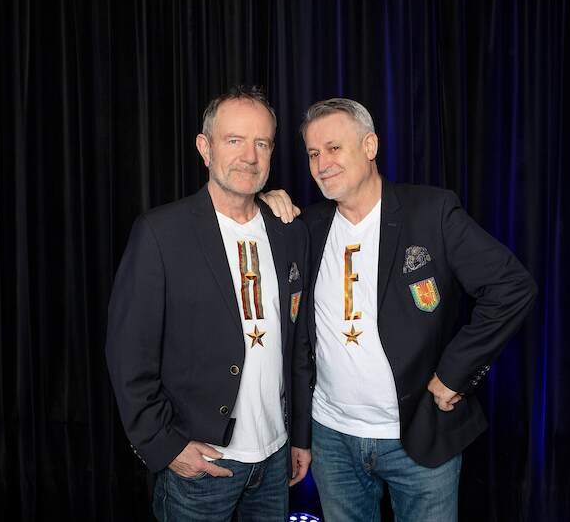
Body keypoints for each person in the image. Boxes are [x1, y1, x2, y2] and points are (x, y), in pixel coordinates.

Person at [262, 98, 537, 521]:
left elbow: (512, 287)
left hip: (419, 434)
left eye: (334, 148)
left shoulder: (431, 211)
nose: (322, 164)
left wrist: (455, 373)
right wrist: (263, 202)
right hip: (333, 439)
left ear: (369, 146)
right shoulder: (308, 227)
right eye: (314, 154)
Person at [105, 86, 312, 522]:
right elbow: (128, 355)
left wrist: (300, 436)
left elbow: (297, 345)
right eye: (234, 140)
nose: (249, 156)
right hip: (201, 466)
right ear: (205, 147)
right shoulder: (161, 233)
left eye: (262, 143)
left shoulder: (289, 230)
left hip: (275, 459)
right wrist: (165, 446)